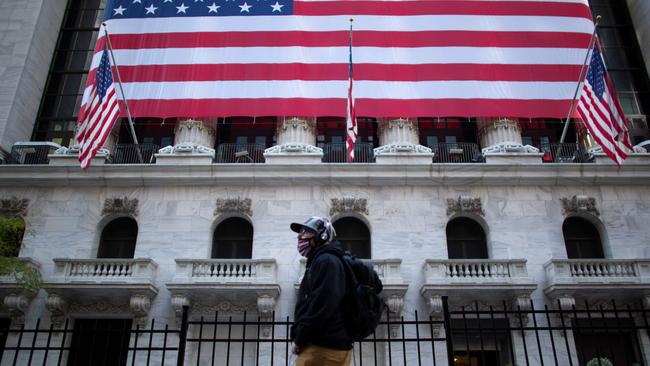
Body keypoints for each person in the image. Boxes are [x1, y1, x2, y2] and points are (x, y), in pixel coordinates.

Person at [290, 216, 353, 366]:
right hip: (325, 345)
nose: (300, 237)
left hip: (323, 347)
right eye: (300, 233)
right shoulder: (322, 260)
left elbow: (322, 304)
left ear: (322, 235)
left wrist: (300, 338)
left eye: (306, 233)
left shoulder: (326, 260)